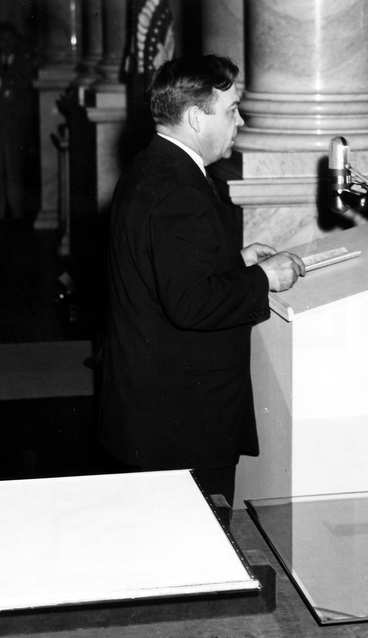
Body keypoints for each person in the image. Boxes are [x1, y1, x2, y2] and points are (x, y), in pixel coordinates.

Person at [101, 55, 305, 507]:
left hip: (154, 408)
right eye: (232, 109)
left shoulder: (152, 166)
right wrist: (263, 279)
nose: (241, 120)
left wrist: (234, 261)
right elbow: (191, 302)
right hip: (182, 420)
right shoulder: (180, 188)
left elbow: (164, 268)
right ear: (196, 117)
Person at [0, 23, 35, 221]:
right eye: (2, 39)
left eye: (10, 39)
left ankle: (16, 211)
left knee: (15, 170)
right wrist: (6, 88)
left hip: (15, 126)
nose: (6, 43)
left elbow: (25, 83)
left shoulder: (24, 63)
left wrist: (0, 82)